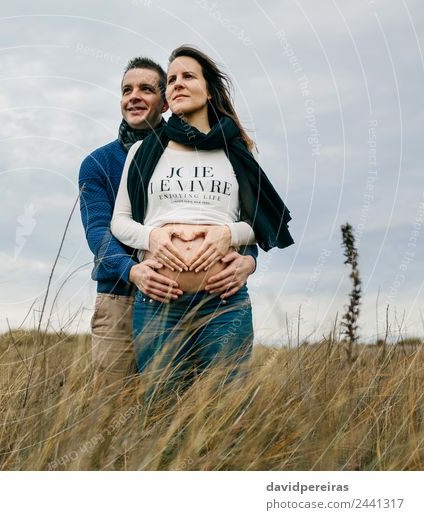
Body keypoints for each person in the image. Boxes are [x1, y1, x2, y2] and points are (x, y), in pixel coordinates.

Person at [111, 45, 293, 396]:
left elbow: (260, 221)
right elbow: (120, 222)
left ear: (209, 89)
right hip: (159, 304)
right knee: (161, 409)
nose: (177, 84)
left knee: (226, 410)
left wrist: (228, 234)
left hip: (224, 303)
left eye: (188, 76)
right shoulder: (144, 150)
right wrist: (153, 238)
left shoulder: (235, 149)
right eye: (172, 79)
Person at [79, 56, 259, 391]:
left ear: (164, 102)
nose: (134, 96)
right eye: (126, 89)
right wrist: (133, 270)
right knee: (116, 402)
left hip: (192, 298)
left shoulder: (199, 149)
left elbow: (234, 216)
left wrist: (249, 260)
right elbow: (99, 231)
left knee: (196, 405)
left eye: (146, 89)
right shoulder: (98, 163)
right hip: (121, 297)